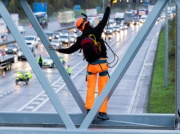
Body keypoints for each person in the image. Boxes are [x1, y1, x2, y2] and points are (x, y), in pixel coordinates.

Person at [49, 5, 111, 120]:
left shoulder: (81, 39)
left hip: (91, 67)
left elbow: (69, 50)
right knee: (103, 89)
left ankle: (89, 109)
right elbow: (105, 19)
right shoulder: (96, 31)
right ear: (87, 23)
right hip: (102, 65)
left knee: (90, 88)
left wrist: (57, 49)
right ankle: (102, 112)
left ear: (80, 29)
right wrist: (108, 7)